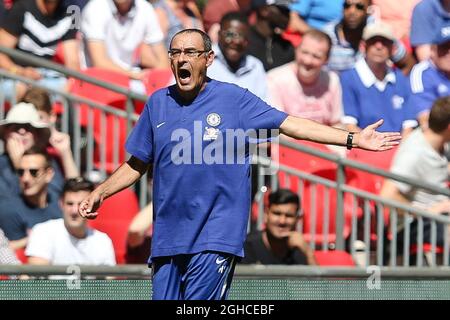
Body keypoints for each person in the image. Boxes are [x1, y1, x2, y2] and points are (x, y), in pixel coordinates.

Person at [78, 28, 401, 300]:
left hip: (215, 235)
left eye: (191, 52)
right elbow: (137, 162)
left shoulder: (234, 100)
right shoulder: (158, 103)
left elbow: (290, 124)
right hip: (168, 237)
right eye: (175, 53)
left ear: (208, 59)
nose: (181, 59)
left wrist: (351, 139)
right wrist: (101, 192)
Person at [380, 97, 450, 264]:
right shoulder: (414, 153)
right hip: (415, 223)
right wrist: (428, 211)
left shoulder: (443, 144)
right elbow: (387, 195)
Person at [340, 23, 415, 134]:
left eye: (385, 42)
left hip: (399, 147)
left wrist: (401, 150)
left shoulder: (399, 78)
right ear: (363, 46)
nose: (379, 46)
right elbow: (350, 126)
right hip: (363, 146)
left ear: (393, 48)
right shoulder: (349, 78)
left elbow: (408, 125)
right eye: (373, 42)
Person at [0, 0, 80, 101]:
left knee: (67, 89)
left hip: (45, 76)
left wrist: (72, 82)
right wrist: (21, 72)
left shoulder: (72, 11)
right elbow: (1, 54)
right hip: (14, 74)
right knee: (20, 89)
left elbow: (73, 62)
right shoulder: (22, 7)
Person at [26, 177, 116, 265]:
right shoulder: (43, 232)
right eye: (70, 204)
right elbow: (36, 278)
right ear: (61, 203)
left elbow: (108, 279)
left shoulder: (102, 241)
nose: (74, 211)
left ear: (92, 206)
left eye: (81, 204)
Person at [267, 29, 343, 126]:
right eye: (304, 52)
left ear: (326, 60)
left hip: (325, 140)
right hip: (287, 140)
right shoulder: (275, 79)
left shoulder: (332, 80)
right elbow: (275, 128)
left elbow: (336, 123)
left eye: (316, 56)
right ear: (296, 50)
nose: (308, 61)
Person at [81, 0, 169, 84]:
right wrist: (135, 75)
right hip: (96, 80)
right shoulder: (95, 8)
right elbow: (99, 63)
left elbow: (162, 61)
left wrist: (155, 78)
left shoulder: (145, 8)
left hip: (131, 78)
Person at [322, 0, 415, 74]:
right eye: (347, 6)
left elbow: (408, 63)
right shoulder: (327, 35)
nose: (352, 11)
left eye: (359, 7)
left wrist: (395, 88)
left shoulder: (379, 33)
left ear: (369, 10)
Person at [0, 102, 70, 198]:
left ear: (37, 135)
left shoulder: (48, 161)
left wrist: (66, 153)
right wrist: (19, 164)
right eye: (16, 127)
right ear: (5, 134)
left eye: (28, 127)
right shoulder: (2, 165)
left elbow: (59, 197)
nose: (22, 131)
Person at [0, 147, 62, 250]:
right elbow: (7, 254)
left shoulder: (61, 203)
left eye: (33, 172)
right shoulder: (9, 210)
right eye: (21, 172)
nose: (26, 178)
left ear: (49, 174)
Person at [241, 189, 316, 265]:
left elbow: (317, 276)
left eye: (289, 215)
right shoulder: (247, 247)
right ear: (266, 214)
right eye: (277, 214)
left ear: (297, 219)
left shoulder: (299, 249)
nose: (282, 221)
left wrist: (308, 253)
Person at [207, 11, 268, 101]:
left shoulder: (255, 66)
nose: (236, 41)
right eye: (230, 35)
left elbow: (264, 105)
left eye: (242, 36)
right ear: (219, 35)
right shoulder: (204, 61)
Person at [408, 21, 450, 129]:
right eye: (445, 47)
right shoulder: (422, 72)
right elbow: (425, 120)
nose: (449, 52)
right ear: (432, 50)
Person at [247, 0, 296, 71]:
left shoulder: (287, 47)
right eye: (283, 10)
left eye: (289, 11)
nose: (288, 15)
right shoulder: (244, 42)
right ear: (264, 11)